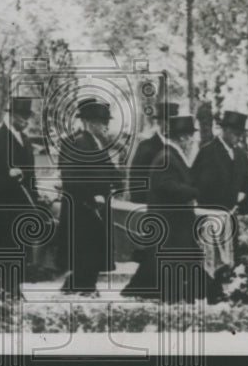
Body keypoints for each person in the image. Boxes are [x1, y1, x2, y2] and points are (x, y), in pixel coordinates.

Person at [123, 115, 202, 300]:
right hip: (170, 222)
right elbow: (167, 185)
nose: (191, 142)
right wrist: (194, 192)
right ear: (182, 138)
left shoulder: (171, 155)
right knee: (170, 261)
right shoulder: (167, 157)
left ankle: (168, 296)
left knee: (171, 261)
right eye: (190, 137)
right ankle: (167, 297)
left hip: (173, 221)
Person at [58, 98, 124, 293]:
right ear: (91, 123)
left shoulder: (98, 143)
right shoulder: (76, 143)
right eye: (104, 122)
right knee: (84, 252)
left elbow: (110, 170)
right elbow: (70, 178)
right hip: (82, 209)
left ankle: (85, 287)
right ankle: (80, 289)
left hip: (98, 208)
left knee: (94, 252)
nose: (106, 126)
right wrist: (91, 197)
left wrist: (119, 183)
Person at [0, 96, 39, 295]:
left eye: (27, 116)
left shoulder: (26, 141)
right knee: (4, 247)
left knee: (20, 246)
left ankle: (15, 287)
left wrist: (34, 196)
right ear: (11, 115)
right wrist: (6, 175)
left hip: (22, 205)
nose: (25, 120)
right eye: (21, 116)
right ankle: (3, 288)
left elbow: (31, 173)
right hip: (1, 206)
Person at [190, 110, 248, 301]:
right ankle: (209, 293)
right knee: (211, 254)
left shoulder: (241, 155)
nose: (237, 138)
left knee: (230, 254)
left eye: (240, 134)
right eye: (234, 133)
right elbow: (199, 184)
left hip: (231, 214)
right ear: (224, 130)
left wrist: (243, 199)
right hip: (212, 213)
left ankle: (224, 290)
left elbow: (246, 182)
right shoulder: (208, 151)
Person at [126, 102, 179, 203]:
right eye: (167, 120)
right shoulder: (146, 147)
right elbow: (137, 184)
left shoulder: (175, 146)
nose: (170, 125)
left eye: (174, 121)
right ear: (160, 122)